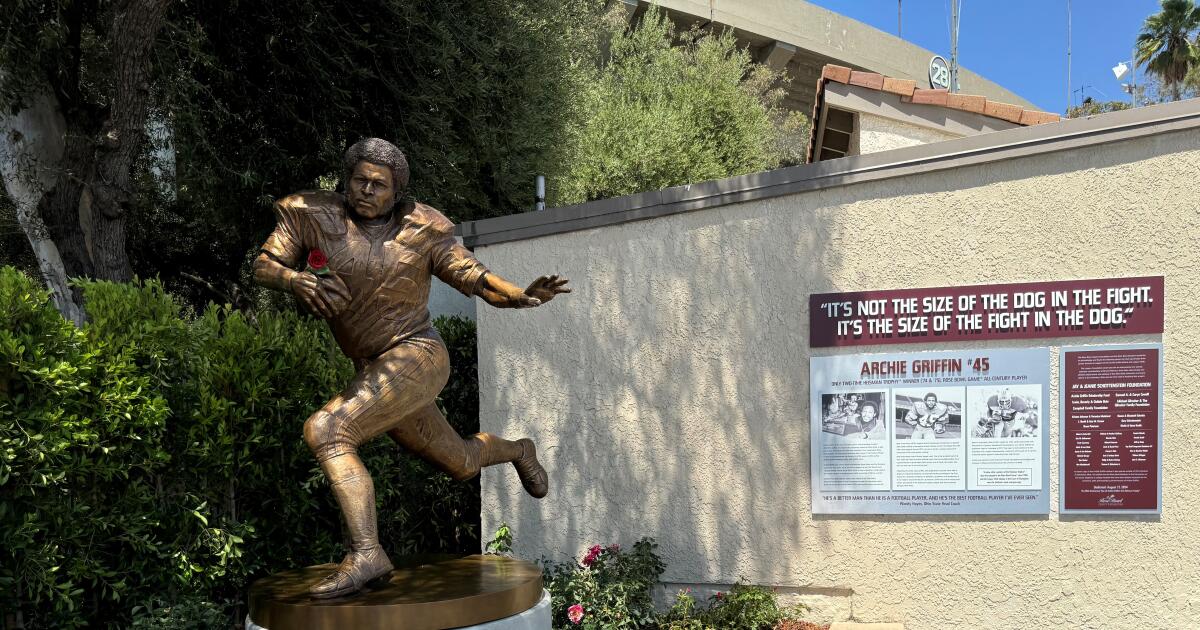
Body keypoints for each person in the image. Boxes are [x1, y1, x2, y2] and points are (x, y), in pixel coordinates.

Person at [253, 138, 571, 599]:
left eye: (378, 185)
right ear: (346, 181)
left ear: (396, 192)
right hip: (375, 368)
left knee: (328, 431)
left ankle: (366, 553)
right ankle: (520, 449)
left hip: (417, 354)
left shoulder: (422, 230)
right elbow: (264, 263)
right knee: (460, 461)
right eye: (359, 180)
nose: (366, 190)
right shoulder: (312, 215)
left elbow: (476, 278)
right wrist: (293, 278)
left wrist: (518, 294)